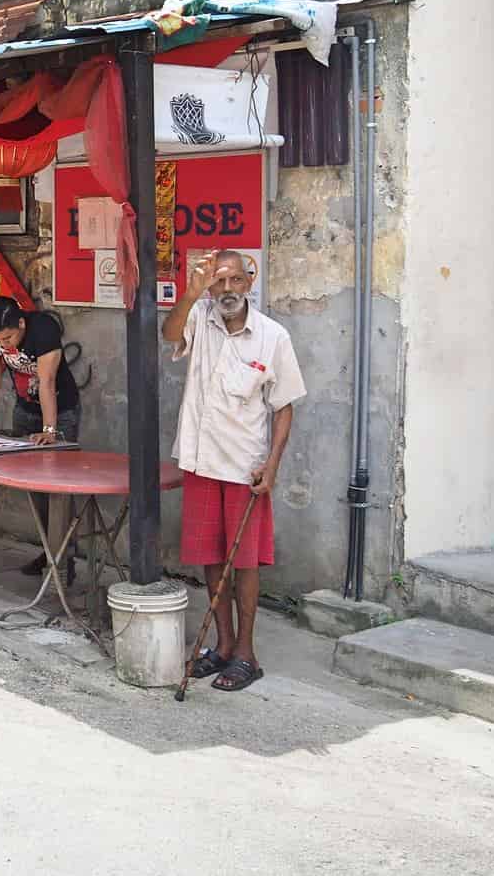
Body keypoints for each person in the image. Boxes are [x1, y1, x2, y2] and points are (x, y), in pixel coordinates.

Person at [164, 249, 306, 694]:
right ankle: (222, 646)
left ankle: (246, 652)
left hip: (244, 468)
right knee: (209, 557)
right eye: (218, 281)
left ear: (250, 281)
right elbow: (170, 333)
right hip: (201, 459)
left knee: (243, 564)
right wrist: (189, 294)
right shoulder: (200, 317)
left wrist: (273, 465)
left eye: (234, 281)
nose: (226, 290)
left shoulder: (272, 337)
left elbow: (284, 407)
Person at [0, 296, 83, 574]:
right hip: (24, 409)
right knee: (34, 488)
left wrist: (49, 431)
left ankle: (64, 558)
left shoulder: (43, 329)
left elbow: (47, 382)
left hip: (60, 411)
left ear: (21, 323)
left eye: (9, 338)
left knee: (57, 487)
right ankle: (50, 550)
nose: (4, 345)